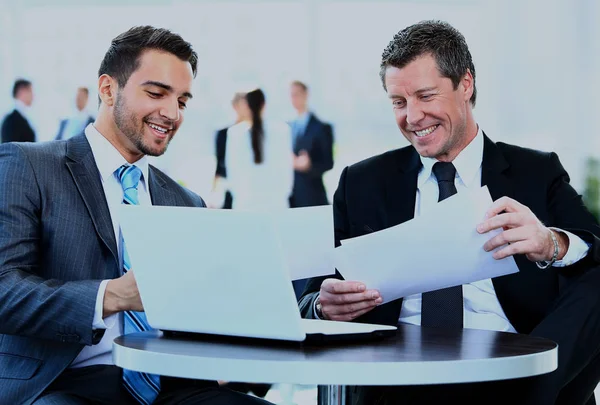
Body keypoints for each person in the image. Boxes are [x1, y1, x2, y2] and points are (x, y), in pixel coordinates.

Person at [298, 20, 600, 405]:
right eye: (398, 102)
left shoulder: (535, 171)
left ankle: (529, 393)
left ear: (466, 84)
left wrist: (551, 243)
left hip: (512, 364)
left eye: (426, 96)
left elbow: (594, 248)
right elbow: (309, 298)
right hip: (399, 375)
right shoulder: (362, 182)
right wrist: (324, 306)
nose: (412, 116)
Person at [0, 26, 273, 405]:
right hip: (62, 384)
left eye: (183, 100)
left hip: (170, 386)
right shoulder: (28, 166)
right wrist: (112, 296)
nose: (172, 113)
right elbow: (4, 291)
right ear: (108, 89)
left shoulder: (186, 202)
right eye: (157, 93)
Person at [225, 88, 293, 210]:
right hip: (276, 204)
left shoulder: (235, 133)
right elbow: (286, 171)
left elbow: (232, 173)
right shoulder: (282, 130)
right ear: (264, 104)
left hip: (245, 204)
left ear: (246, 105)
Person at [288, 80, 334, 208]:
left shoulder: (322, 127)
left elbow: (328, 163)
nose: (294, 99)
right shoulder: (286, 127)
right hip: (289, 197)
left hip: (311, 196)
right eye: (291, 95)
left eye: (297, 94)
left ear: (306, 95)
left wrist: (309, 166)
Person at [210, 92, 249, 209]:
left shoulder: (257, 135)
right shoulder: (223, 133)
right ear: (235, 106)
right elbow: (219, 165)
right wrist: (214, 194)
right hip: (229, 190)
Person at [1, 78, 36, 143]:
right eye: (30, 91)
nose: (33, 95)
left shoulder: (22, 117)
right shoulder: (11, 121)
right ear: (21, 92)